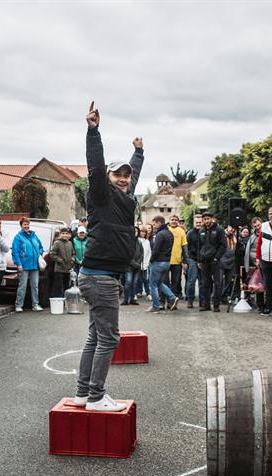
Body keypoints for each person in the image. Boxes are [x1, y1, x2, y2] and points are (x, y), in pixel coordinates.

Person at [74, 101, 144, 412]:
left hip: (101, 276)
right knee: (109, 340)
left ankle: (82, 393)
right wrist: (93, 131)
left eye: (126, 175)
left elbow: (135, 176)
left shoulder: (125, 198)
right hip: (100, 277)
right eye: (118, 174)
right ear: (108, 176)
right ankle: (95, 397)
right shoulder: (101, 195)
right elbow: (94, 165)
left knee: (95, 337)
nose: (124, 178)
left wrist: (138, 154)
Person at [11, 216, 44, 312]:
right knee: (22, 286)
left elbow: (41, 247)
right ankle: (19, 305)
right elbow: (15, 252)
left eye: (28, 224)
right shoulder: (18, 237)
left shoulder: (34, 236)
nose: (27, 226)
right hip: (24, 265)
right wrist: (18, 264)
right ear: (21, 225)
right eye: (24, 224)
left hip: (34, 265)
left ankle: (35, 304)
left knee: (35, 285)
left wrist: (39, 254)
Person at [147, 216, 178, 313]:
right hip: (167, 262)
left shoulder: (160, 234)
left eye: (155, 223)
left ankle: (155, 306)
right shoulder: (169, 233)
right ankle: (172, 297)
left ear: (160, 223)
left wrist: (151, 260)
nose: (154, 226)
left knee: (153, 285)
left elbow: (156, 250)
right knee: (159, 283)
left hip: (158, 262)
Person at [198, 212, 226, 312]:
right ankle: (206, 305)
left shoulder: (219, 230)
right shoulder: (201, 231)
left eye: (208, 219)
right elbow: (199, 246)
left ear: (212, 219)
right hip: (204, 261)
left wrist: (216, 258)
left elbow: (223, 245)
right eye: (205, 219)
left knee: (217, 283)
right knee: (205, 283)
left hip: (215, 261)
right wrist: (199, 260)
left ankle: (216, 305)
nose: (206, 221)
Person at [185, 214, 204, 308]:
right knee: (191, 281)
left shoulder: (205, 232)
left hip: (203, 260)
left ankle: (202, 302)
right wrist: (186, 260)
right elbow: (186, 247)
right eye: (197, 222)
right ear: (194, 223)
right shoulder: (189, 233)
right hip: (192, 259)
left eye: (200, 222)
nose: (198, 224)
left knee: (202, 282)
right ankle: (190, 300)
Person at [50, 227, 74, 298]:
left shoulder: (70, 243)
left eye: (66, 234)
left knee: (67, 286)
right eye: (63, 233)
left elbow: (73, 253)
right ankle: (58, 300)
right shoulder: (57, 243)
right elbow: (52, 254)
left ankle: (66, 301)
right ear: (60, 234)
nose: (65, 235)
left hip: (68, 269)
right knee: (58, 286)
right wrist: (60, 260)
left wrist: (72, 259)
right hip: (59, 269)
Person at [167, 214, 187, 299]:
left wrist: (185, 260)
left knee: (176, 281)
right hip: (166, 260)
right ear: (169, 220)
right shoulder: (166, 230)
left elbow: (184, 247)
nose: (174, 221)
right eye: (172, 219)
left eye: (175, 220)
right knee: (165, 281)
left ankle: (173, 299)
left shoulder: (181, 231)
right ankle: (166, 298)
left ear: (178, 221)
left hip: (177, 261)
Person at [122, 226, 143, 305]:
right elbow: (125, 255)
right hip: (128, 266)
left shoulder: (139, 242)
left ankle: (132, 299)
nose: (135, 233)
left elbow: (141, 254)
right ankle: (126, 299)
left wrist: (138, 263)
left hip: (137, 267)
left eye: (136, 231)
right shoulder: (126, 242)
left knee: (134, 284)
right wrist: (133, 263)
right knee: (128, 282)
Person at [138, 226, 151, 298]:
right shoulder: (137, 240)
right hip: (138, 263)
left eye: (144, 232)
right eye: (141, 231)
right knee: (138, 279)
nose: (143, 233)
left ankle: (148, 292)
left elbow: (149, 252)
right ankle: (139, 291)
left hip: (145, 263)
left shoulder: (147, 241)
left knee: (145, 279)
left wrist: (147, 262)